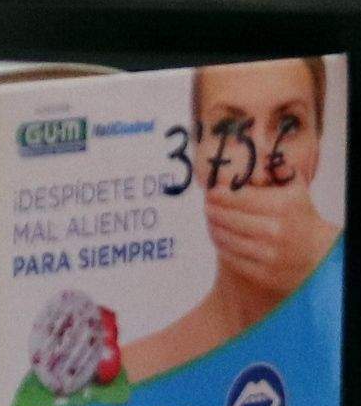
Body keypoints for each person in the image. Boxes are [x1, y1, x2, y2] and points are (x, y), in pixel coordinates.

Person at [117, 56, 339, 384]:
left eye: (289, 125)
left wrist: (325, 258)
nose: (262, 162)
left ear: (317, 150)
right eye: (230, 129)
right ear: (196, 157)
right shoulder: (133, 375)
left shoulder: (352, 344)